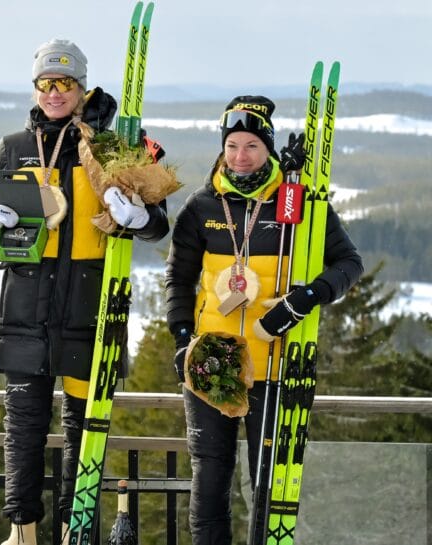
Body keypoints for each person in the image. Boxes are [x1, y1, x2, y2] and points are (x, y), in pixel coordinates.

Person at [0, 39, 169, 544]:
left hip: (91, 309)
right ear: (35, 87)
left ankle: (72, 527)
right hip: (24, 309)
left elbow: (158, 224)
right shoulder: (14, 147)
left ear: (83, 87)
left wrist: (141, 217)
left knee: (84, 427)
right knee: (24, 427)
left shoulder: (115, 144)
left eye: (65, 83)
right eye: (46, 83)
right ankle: (23, 531)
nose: (55, 93)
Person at [164, 95, 363, 544]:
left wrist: (308, 297)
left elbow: (349, 264)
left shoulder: (299, 204)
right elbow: (178, 278)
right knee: (210, 479)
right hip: (214, 362)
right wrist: (181, 337)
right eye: (233, 145)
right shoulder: (202, 206)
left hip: (274, 363)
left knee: (267, 484)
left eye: (252, 145)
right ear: (222, 148)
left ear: (268, 149)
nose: (241, 156)